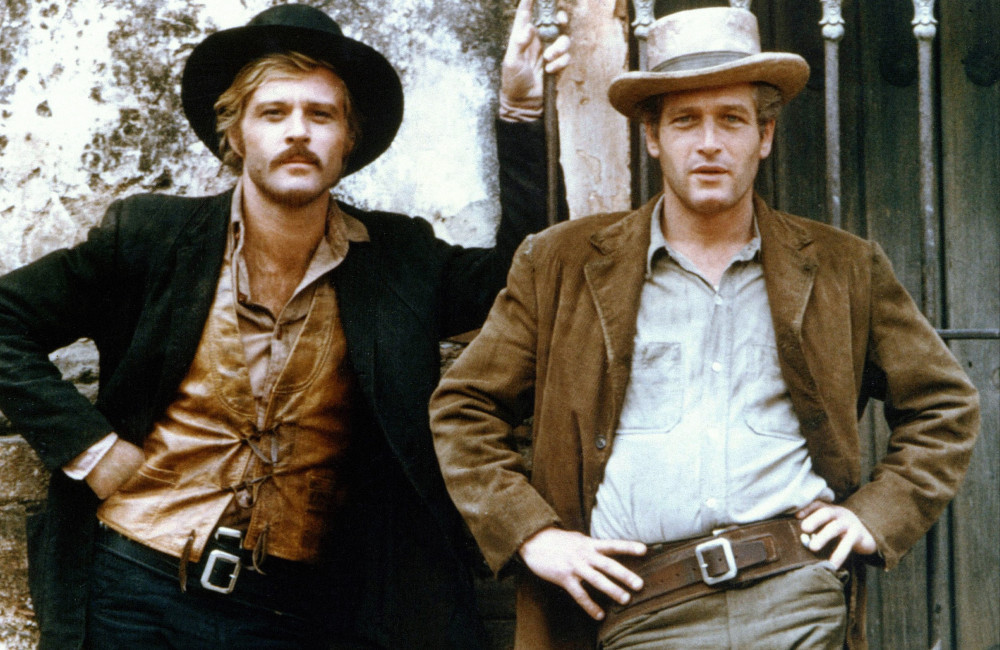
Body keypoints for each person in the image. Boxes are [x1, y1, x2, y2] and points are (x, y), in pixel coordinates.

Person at [0, 2, 569, 648]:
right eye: (274, 112)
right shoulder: (153, 237)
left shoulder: (399, 259)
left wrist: (522, 114)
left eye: (321, 115)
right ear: (236, 133)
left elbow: (528, 279)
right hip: (133, 589)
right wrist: (91, 449)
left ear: (348, 139)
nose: (299, 131)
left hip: (297, 613)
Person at [430, 7, 979, 649]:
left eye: (732, 119)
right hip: (635, 609)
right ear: (653, 138)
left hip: (794, 596)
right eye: (686, 120)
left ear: (764, 136)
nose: (710, 142)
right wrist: (532, 533)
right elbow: (465, 407)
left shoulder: (843, 266)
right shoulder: (561, 264)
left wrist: (877, 515)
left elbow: (944, 403)